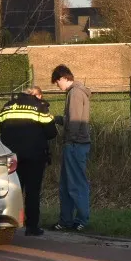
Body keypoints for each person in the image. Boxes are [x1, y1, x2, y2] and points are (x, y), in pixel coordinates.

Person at [0, 85, 56, 236]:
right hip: (34, 156)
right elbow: (51, 133)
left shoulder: (7, 106)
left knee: (12, 190)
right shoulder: (40, 107)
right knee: (32, 191)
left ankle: (8, 223)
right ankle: (32, 227)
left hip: (12, 156)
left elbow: (1, 128)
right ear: (38, 96)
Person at [49, 64, 92, 232]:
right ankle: (66, 220)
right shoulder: (77, 92)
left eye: (57, 82)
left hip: (75, 144)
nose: (57, 86)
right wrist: (58, 119)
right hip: (76, 144)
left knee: (75, 184)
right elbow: (71, 118)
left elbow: (74, 121)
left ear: (63, 78)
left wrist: (69, 139)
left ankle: (80, 219)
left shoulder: (74, 93)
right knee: (67, 185)